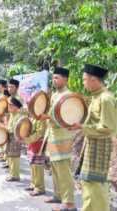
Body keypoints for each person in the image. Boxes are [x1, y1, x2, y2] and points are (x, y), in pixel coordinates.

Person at [69, 64, 116, 211]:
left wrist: (82, 128)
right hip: (92, 147)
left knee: (97, 189)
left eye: (84, 80)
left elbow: (108, 127)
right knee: (89, 186)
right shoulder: (96, 97)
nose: (83, 83)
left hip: (100, 149)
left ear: (94, 80)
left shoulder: (106, 99)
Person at [39, 67, 76, 211]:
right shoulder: (54, 94)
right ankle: (58, 195)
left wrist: (48, 117)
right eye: (53, 78)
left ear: (65, 79)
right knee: (54, 169)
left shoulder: (68, 95)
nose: (54, 81)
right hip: (52, 136)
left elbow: (68, 118)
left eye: (57, 78)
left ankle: (69, 203)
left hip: (63, 137)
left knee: (63, 171)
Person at [22, 115, 46, 196]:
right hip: (32, 144)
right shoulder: (32, 117)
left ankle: (40, 188)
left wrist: (27, 139)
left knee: (38, 166)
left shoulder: (41, 118)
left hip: (38, 144)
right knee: (32, 165)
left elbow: (40, 133)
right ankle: (33, 184)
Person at [5, 97, 23, 182]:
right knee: (10, 156)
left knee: (15, 156)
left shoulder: (18, 116)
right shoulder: (12, 114)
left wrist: (7, 129)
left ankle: (15, 175)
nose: (8, 106)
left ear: (16, 106)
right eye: (8, 104)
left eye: (10, 105)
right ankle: (12, 174)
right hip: (10, 137)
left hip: (15, 137)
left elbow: (15, 129)